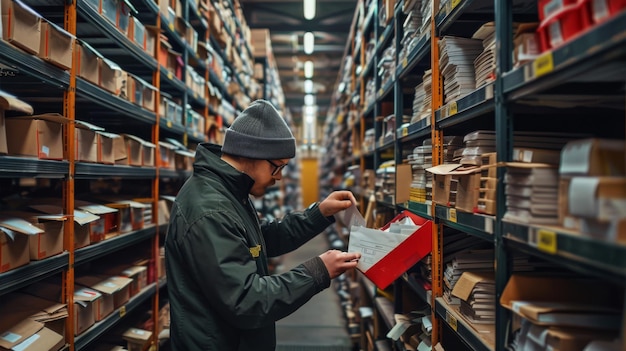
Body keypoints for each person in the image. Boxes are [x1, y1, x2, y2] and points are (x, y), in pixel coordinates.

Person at [165, 99, 362, 351]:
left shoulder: (228, 192)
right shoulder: (210, 209)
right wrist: (317, 271)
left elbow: (258, 240)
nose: (279, 178)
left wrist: (319, 213)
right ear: (253, 154)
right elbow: (246, 300)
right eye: (277, 167)